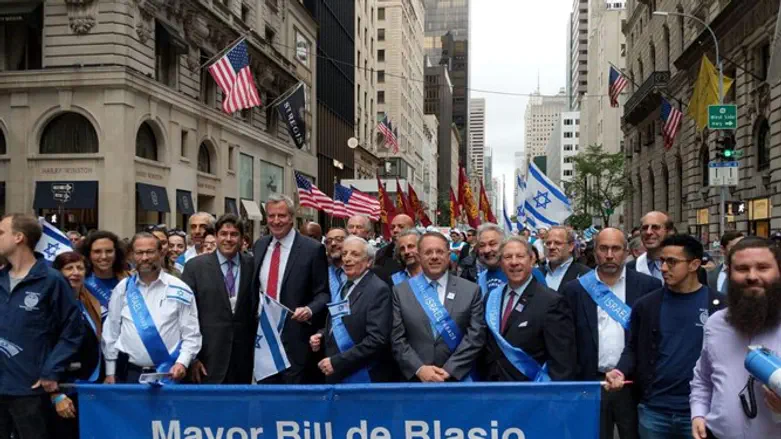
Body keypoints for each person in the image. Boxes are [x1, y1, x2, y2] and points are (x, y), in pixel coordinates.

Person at [605, 234, 723, 439]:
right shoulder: (647, 305)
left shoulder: (720, 307)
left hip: (701, 412)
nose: (664, 268)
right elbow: (633, 348)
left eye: (672, 262)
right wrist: (620, 370)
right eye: (662, 261)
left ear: (694, 264)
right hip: (654, 411)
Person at [562, 228, 661, 439]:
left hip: (633, 385)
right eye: (603, 248)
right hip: (592, 384)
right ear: (594, 251)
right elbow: (568, 342)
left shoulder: (648, 286)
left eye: (615, 249)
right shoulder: (575, 290)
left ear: (626, 252)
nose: (609, 255)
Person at [0, 214, 83, 439]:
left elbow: (72, 331)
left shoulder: (51, 281)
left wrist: (51, 371)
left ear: (19, 237)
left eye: (1, 233)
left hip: (30, 389)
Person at [690, 237, 781, 438]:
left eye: (763, 268)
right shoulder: (716, 324)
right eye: (742, 269)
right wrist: (698, 414)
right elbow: (703, 379)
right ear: (729, 274)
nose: (752, 276)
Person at [102, 232, 202, 384]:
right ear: (131, 255)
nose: (144, 258)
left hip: (169, 373)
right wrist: (110, 372)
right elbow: (111, 331)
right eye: (139, 253)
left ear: (161, 253)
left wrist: (182, 363)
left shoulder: (180, 289)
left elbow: (191, 334)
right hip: (130, 374)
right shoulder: (122, 289)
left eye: (150, 252)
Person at [252, 194, 329, 384]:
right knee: (266, 397)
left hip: (296, 342)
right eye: (271, 216)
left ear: (292, 218)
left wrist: (309, 309)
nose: (276, 221)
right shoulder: (260, 245)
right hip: (265, 341)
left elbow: (323, 293)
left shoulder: (312, 249)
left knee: (293, 399)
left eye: (282, 216)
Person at [392, 231, 486, 382]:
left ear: (448, 256)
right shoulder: (400, 291)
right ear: (419, 256)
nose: (434, 256)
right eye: (428, 252)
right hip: (416, 380)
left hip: (458, 380)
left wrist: (450, 369)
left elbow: (476, 336)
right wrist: (419, 369)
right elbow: (397, 338)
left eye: (440, 252)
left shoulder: (471, 290)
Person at [481, 237, 576, 382]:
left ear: (532, 260)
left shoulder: (551, 301)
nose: (514, 262)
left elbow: (562, 361)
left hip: (531, 389)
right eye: (508, 257)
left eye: (520, 256)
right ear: (500, 263)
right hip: (492, 387)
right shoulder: (491, 297)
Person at [182, 215, 258, 384]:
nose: (228, 239)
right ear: (216, 237)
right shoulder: (195, 267)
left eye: (234, 234)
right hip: (207, 360)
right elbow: (185, 315)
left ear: (242, 238)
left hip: (243, 360)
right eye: (223, 234)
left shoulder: (253, 265)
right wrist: (192, 358)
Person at [310, 236, 394, 383]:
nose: (347, 259)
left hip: (361, 374)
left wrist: (337, 362)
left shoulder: (378, 289)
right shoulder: (345, 286)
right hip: (336, 371)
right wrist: (322, 335)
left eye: (354, 254)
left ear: (368, 262)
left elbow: (377, 339)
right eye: (344, 254)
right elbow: (340, 320)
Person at [50, 251, 103, 439]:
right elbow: (45, 351)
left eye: (80, 268)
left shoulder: (87, 303)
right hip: (63, 392)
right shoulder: (51, 306)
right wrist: (55, 394)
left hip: (88, 389)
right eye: (69, 268)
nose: (75, 272)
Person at [80, 230, 129, 321]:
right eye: (97, 252)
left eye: (109, 251)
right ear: (88, 254)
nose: (104, 256)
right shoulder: (80, 285)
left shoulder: (130, 280)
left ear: (117, 253)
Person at [626, 211, 674, 282]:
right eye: (645, 228)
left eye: (655, 227)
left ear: (669, 232)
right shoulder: (629, 269)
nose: (648, 232)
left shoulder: (683, 267)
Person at [542, 226, 591, 292]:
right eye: (548, 243)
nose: (551, 247)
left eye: (557, 243)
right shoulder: (536, 273)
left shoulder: (586, 275)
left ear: (571, 246)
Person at [373, 214, 415, 286]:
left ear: (412, 229)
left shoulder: (423, 251)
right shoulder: (382, 254)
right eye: (392, 227)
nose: (395, 230)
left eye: (401, 227)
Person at [473, 223, 508, 297]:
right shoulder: (481, 278)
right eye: (482, 245)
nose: (487, 250)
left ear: (504, 245)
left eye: (492, 244)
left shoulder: (522, 273)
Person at [706, 230, 744, 296]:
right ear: (722, 249)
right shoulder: (709, 276)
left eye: (742, 247)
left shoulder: (753, 276)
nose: (740, 251)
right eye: (734, 247)